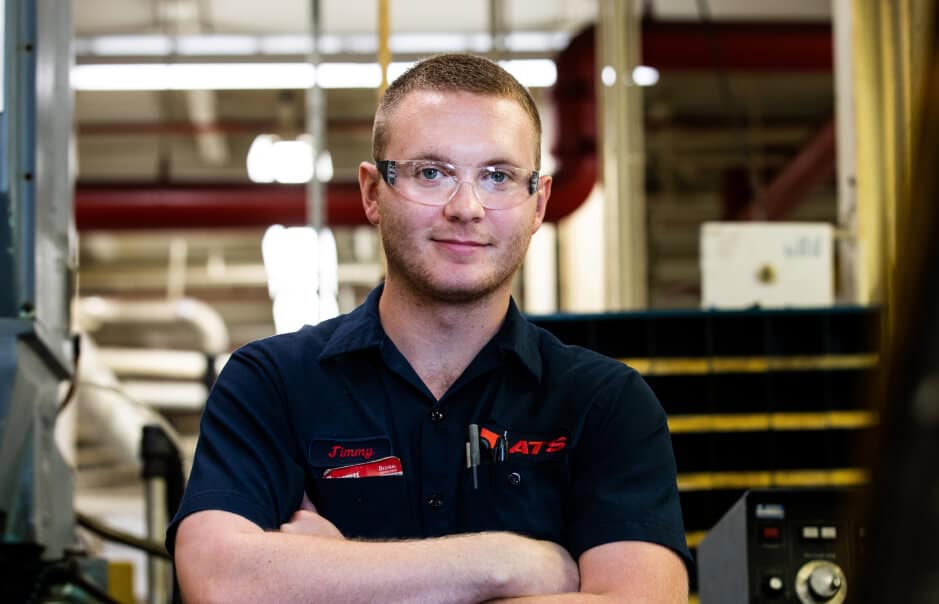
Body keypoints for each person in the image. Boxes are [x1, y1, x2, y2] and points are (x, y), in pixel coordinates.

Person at [170, 53, 692, 602]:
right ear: (373, 193)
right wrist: (510, 564)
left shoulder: (605, 404)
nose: (466, 207)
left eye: (497, 176)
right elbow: (221, 581)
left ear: (538, 204)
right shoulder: (270, 383)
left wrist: (331, 577)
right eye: (431, 173)